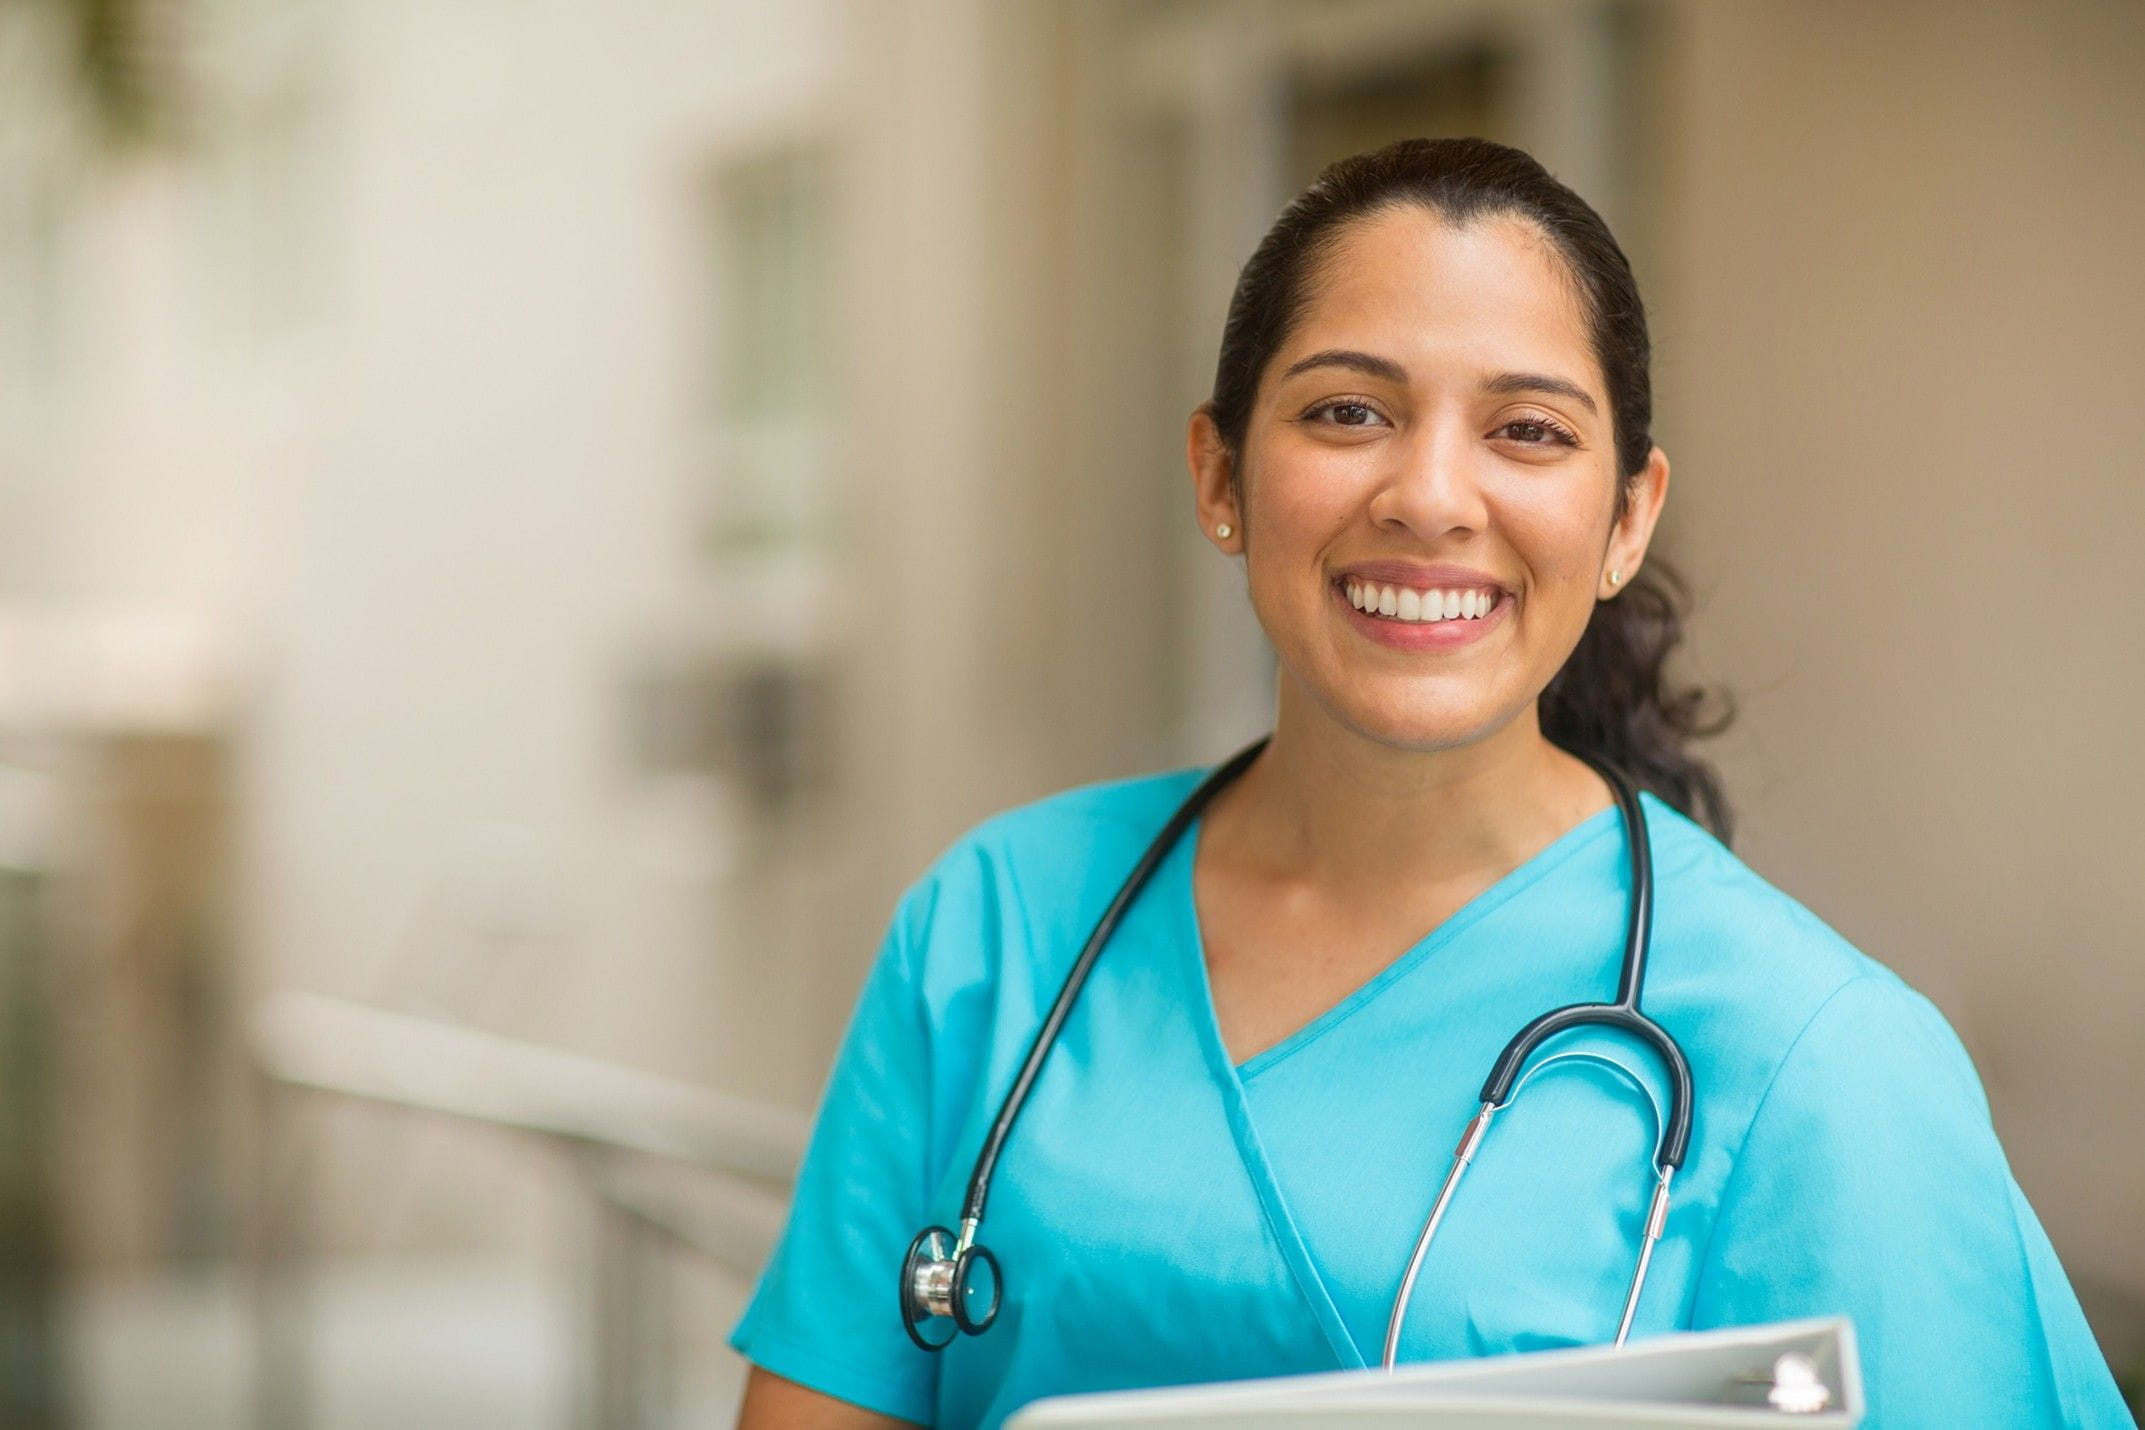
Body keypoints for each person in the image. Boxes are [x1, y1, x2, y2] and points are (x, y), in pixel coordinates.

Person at [730, 138, 2134, 1429]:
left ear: (1624, 519)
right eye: (1347, 411)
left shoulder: (1815, 1060)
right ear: (1219, 473)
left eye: (1526, 430)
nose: (1428, 495)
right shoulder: (994, 927)